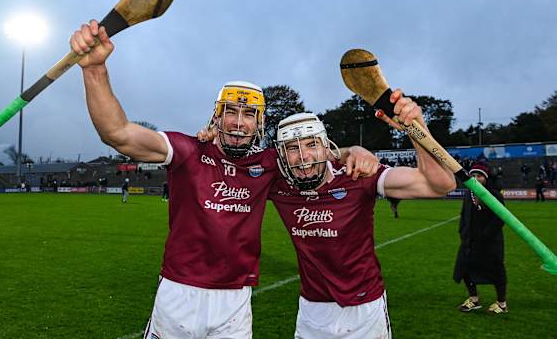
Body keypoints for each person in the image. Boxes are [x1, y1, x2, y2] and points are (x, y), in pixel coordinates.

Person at [71, 20, 369, 339]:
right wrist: (94, 69)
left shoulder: (269, 163)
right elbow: (118, 134)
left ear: (260, 123)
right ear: (217, 115)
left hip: (235, 303)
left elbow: (312, 159)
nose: (239, 123)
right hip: (179, 293)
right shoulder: (187, 151)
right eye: (231, 111)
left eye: (249, 114)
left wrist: (352, 150)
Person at [268, 102, 456, 337]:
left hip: (364, 308)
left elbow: (441, 186)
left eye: (311, 144)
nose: (303, 156)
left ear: (326, 147)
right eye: (292, 148)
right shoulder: (277, 184)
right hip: (312, 309)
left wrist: (417, 128)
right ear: (282, 154)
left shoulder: (357, 174)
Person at [453, 163, 508, 314]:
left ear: (486, 177)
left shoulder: (494, 194)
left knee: (496, 270)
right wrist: (463, 231)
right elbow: (464, 214)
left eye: (480, 176)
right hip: (469, 240)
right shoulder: (468, 193)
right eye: (473, 175)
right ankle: (474, 299)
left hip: (490, 242)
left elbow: (500, 218)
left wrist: (486, 235)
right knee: (465, 268)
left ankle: (502, 303)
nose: (476, 178)